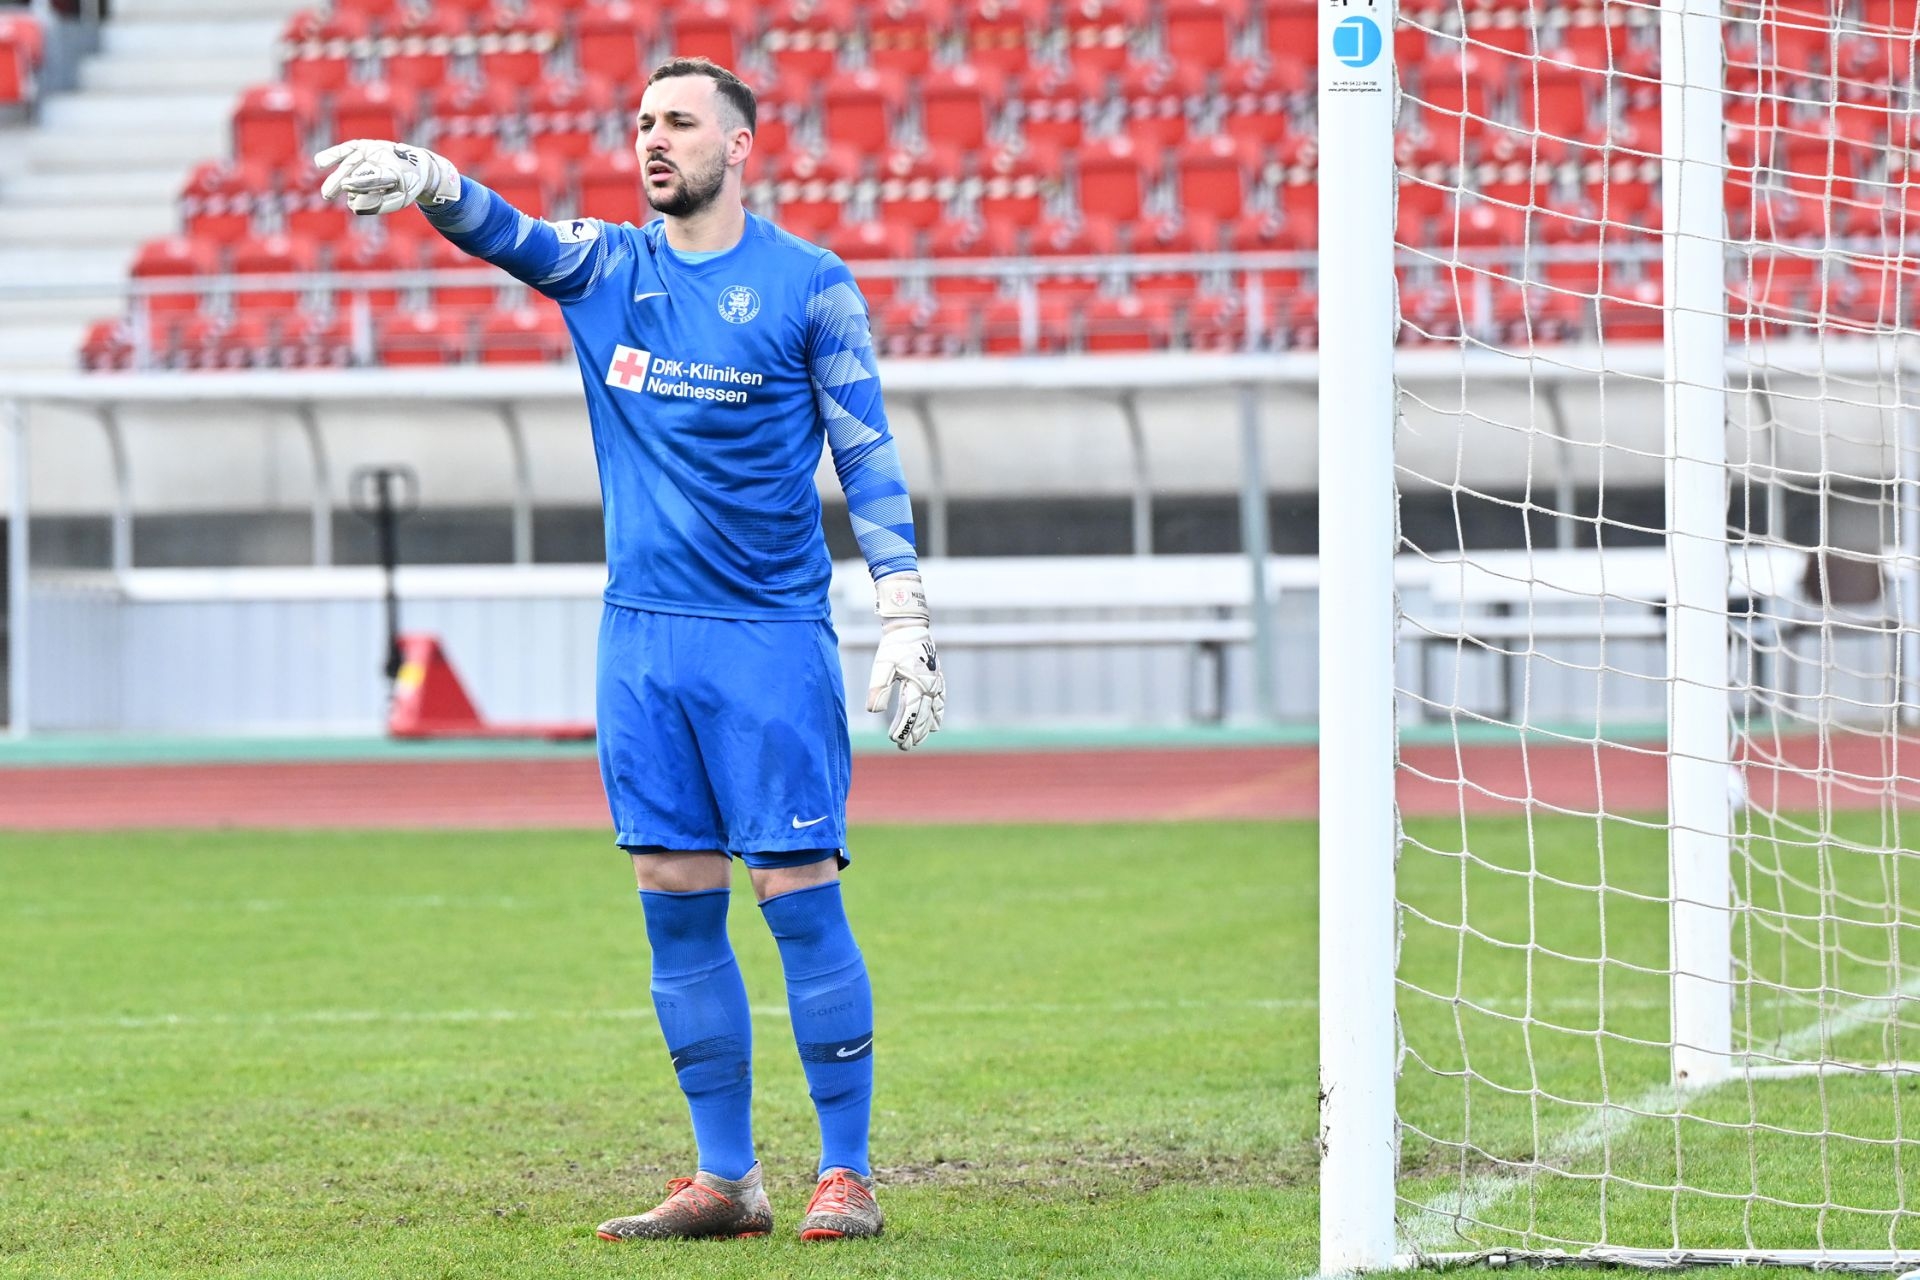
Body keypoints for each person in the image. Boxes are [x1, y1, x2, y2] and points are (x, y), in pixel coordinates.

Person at [315, 55, 945, 1243]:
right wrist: (428, 175)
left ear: (741, 144)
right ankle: (726, 1179)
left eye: (680, 122)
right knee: (672, 894)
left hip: (767, 637)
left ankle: (847, 1171)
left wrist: (903, 605)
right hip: (641, 640)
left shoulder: (812, 284)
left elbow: (866, 449)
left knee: (797, 894)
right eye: (642, 121)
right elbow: (506, 232)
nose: (654, 139)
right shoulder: (609, 266)